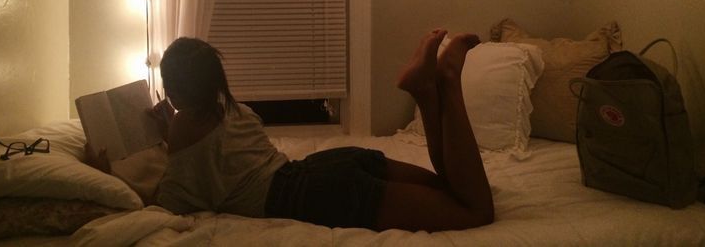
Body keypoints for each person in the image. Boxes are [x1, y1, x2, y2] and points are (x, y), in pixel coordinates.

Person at [153, 29, 494, 232]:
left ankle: (446, 83)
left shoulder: (184, 125)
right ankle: (425, 91)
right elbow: (215, 154)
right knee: (452, 188)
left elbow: (171, 201)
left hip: (316, 195)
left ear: (175, 90)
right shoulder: (236, 110)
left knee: (473, 211)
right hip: (326, 167)